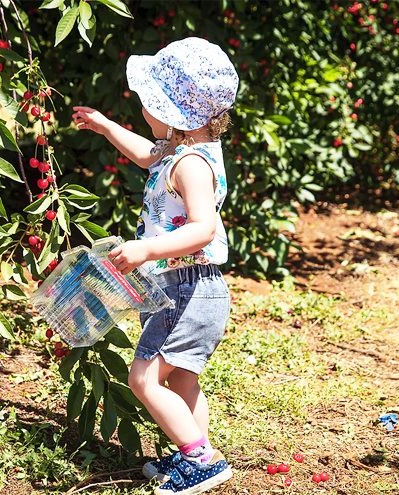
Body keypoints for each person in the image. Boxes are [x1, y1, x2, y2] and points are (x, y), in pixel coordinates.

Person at [71, 37, 239, 495]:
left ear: (174, 112)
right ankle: (194, 450)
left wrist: (147, 250)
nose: (144, 109)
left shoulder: (190, 166)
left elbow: (204, 228)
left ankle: (200, 460)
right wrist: (106, 127)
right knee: (183, 378)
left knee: (143, 377)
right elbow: (147, 154)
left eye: (150, 102)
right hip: (187, 287)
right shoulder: (183, 151)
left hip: (187, 289)